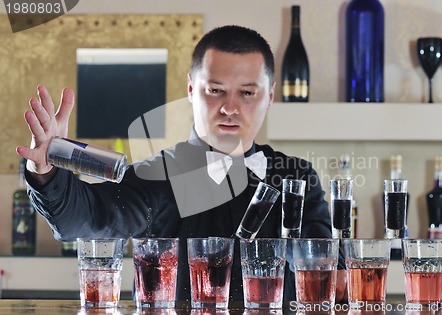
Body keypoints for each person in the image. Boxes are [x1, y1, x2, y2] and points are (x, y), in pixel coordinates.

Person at [16, 25, 348, 302]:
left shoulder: (296, 176)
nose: (230, 107)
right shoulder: (156, 175)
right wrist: (46, 168)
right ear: (191, 89)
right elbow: (85, 219)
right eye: (215, 90)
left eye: (247, 93)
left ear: (270, 96)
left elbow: (324, 269)